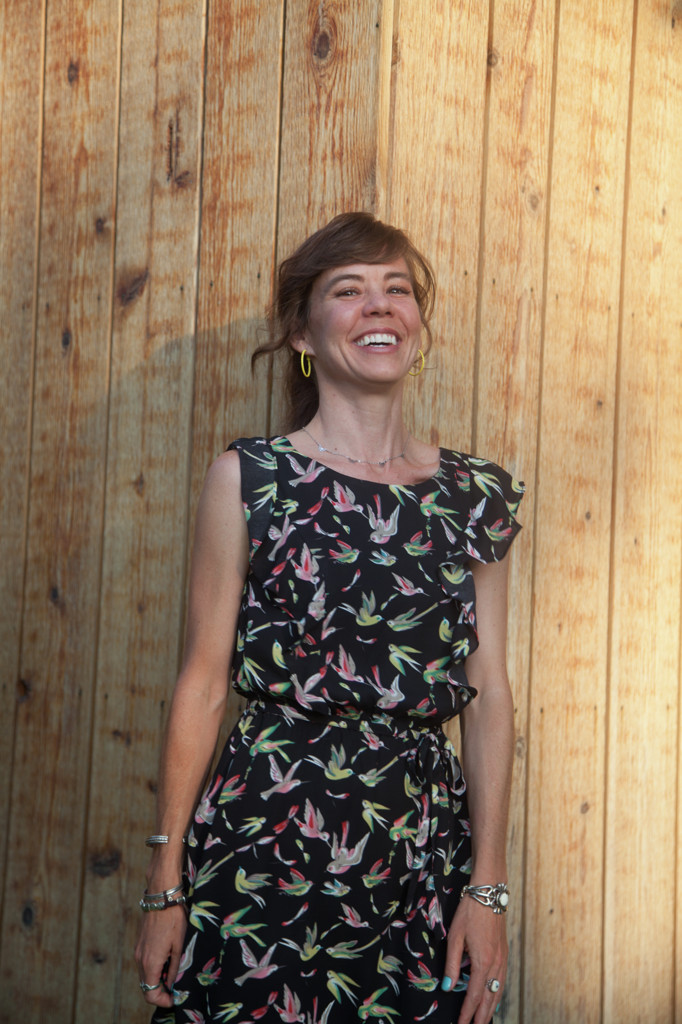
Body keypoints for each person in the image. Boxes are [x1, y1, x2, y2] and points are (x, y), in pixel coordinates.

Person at [135, 212, 524, 1024]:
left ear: (417, 325)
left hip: (420, 855)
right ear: (302, 333)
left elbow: (488, 693)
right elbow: (203, 684)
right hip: (265, 841)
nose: (379, 306)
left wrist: (487, 887)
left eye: (397, 290)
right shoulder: (250, 478)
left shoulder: (474, 496)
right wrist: (165, 884)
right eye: (348, 290)